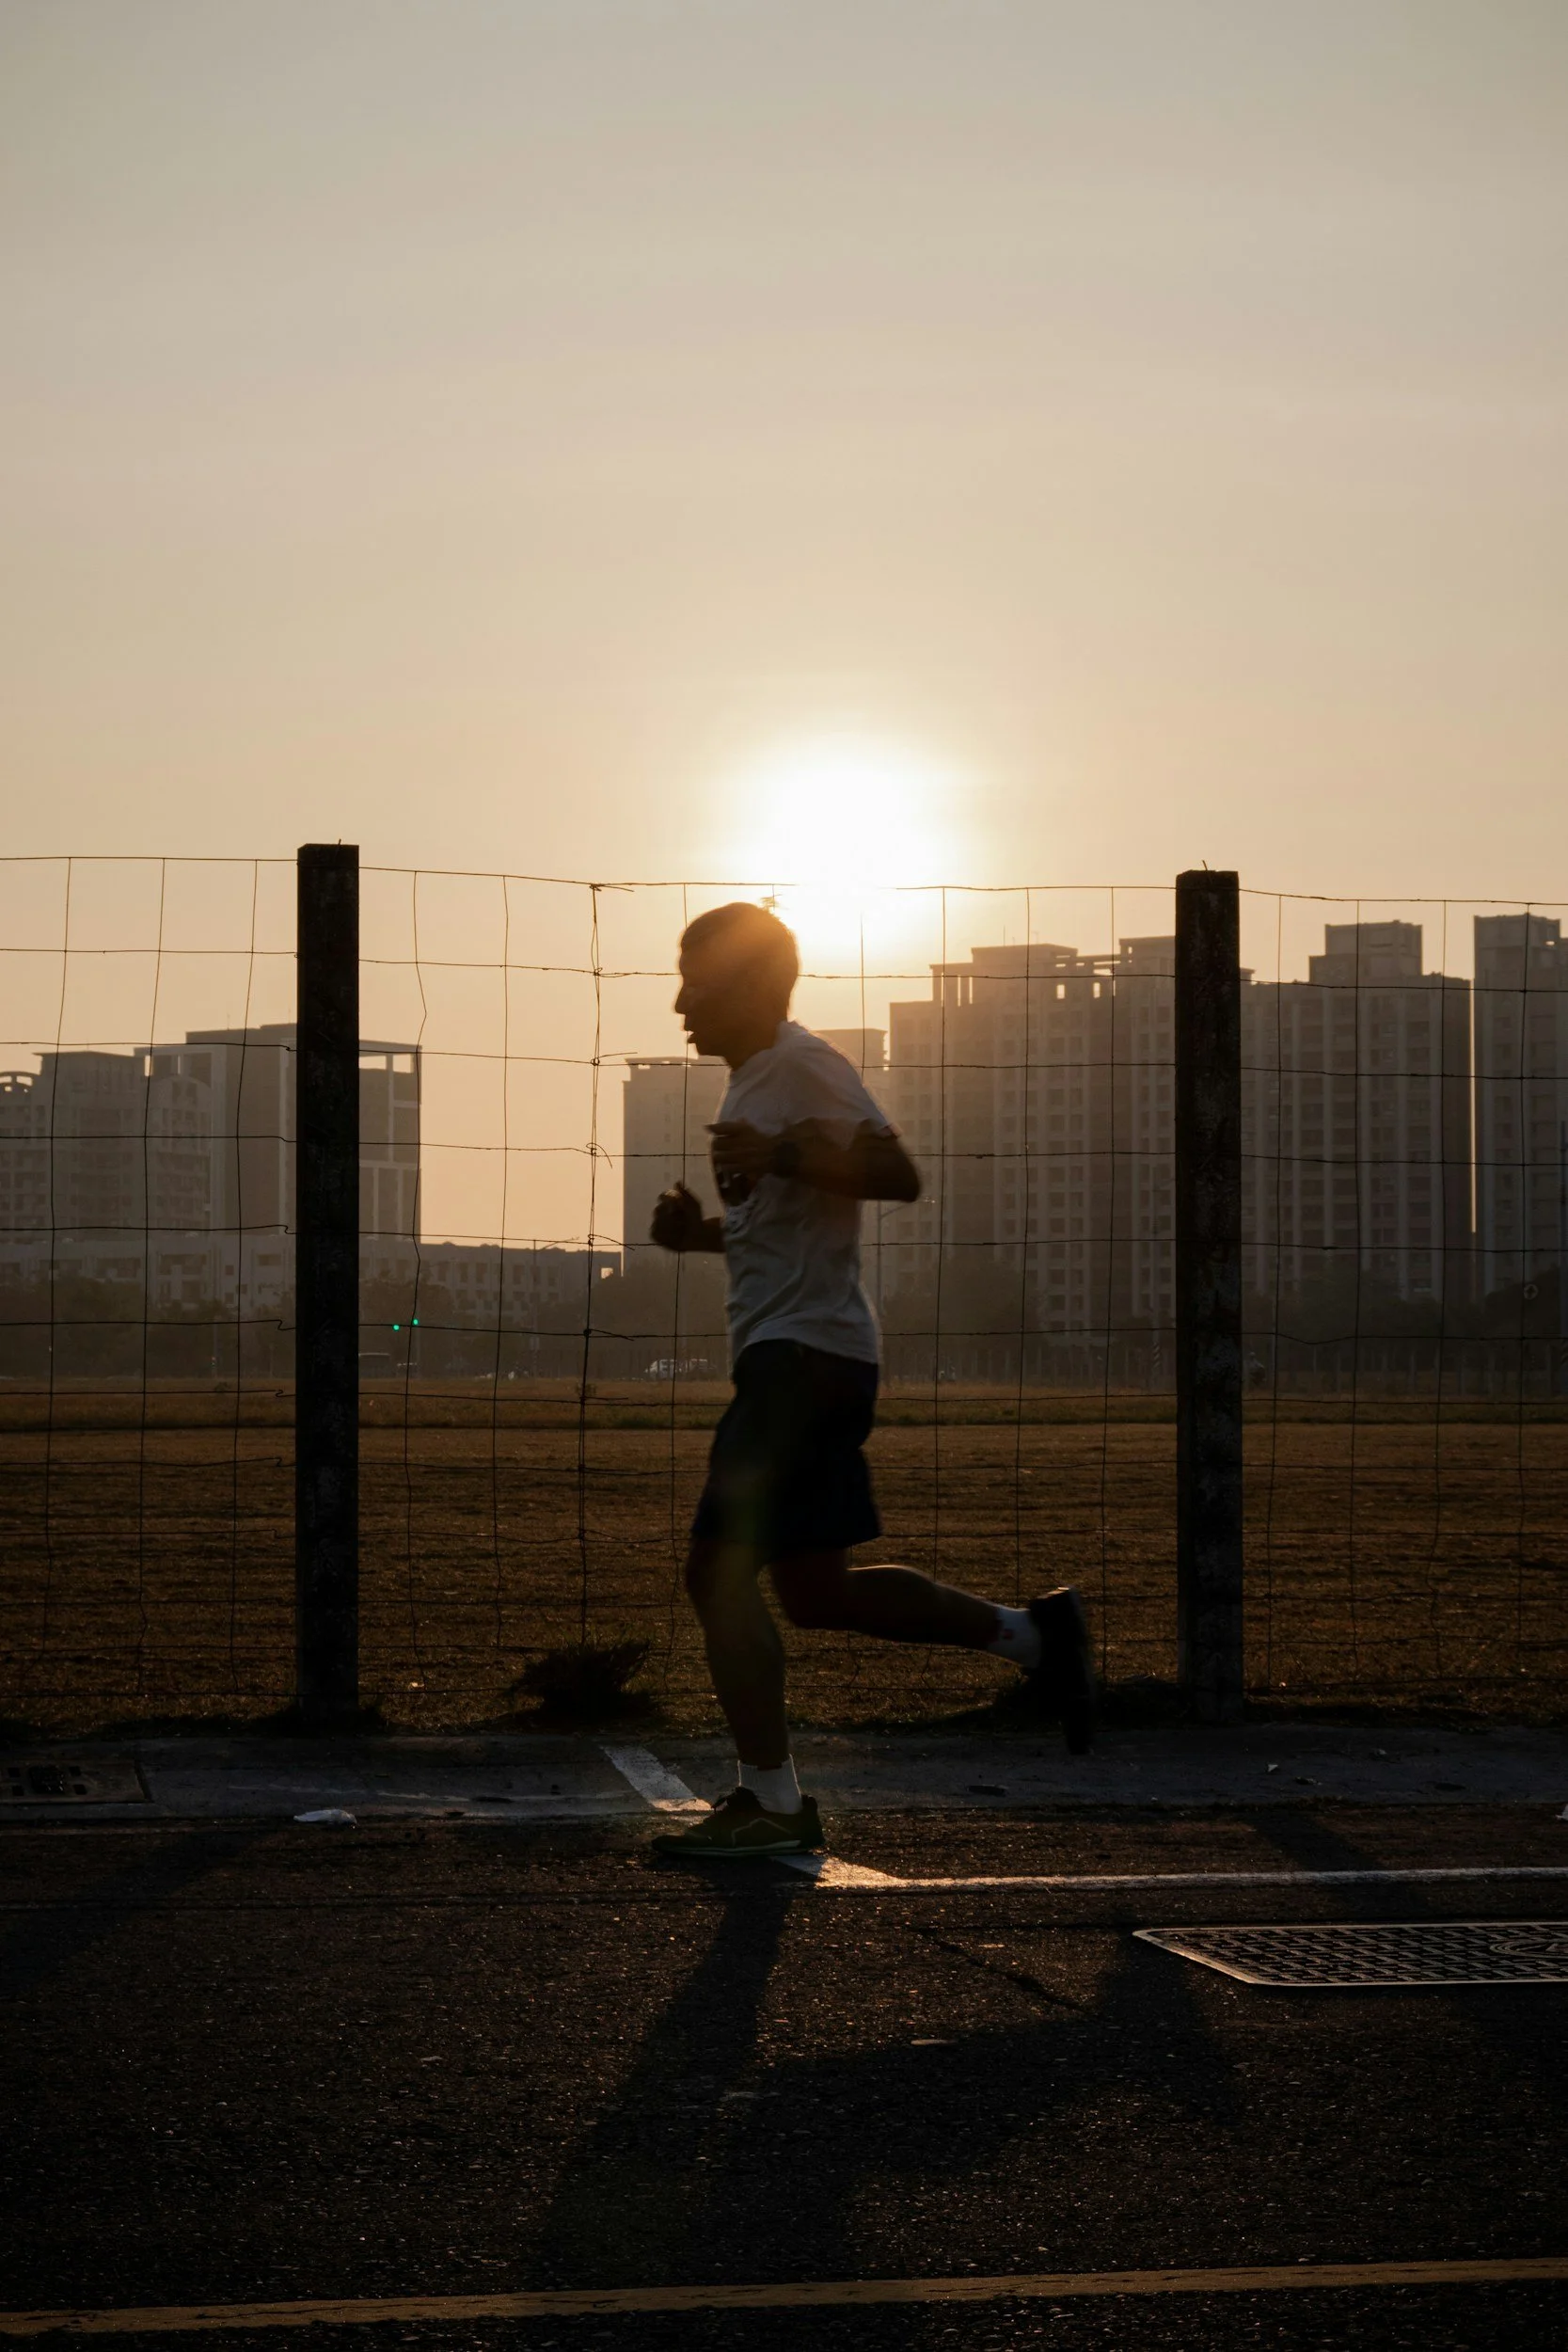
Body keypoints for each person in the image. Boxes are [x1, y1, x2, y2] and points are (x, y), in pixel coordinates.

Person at [649, 901, 1095, 1862]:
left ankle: (770, 1801)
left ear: (751, 988)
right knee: (813, 1592)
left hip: (801, 1363)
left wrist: (780, 1150)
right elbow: (787, 1221)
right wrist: (702, 1237)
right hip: (806, 1358)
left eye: (697, 980)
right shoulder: (752, 1085)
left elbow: (895, 1173)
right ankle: (1034, 1638)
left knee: (715, 1572)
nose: (680, 1000)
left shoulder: (800, 1065)